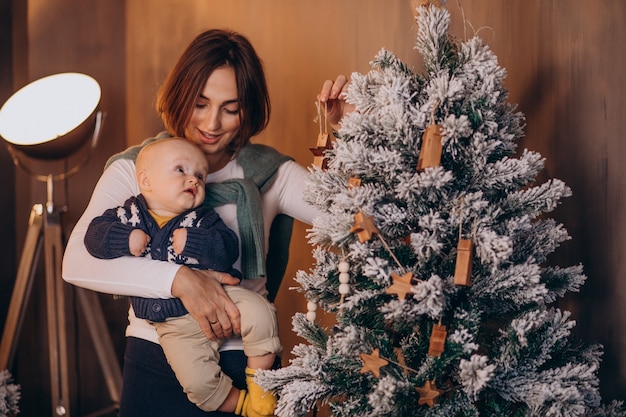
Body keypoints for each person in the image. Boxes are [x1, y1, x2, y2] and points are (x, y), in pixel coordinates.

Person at [62, 28, 350, 416]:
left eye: (230, 108)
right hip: (156, 360)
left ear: (248, 109)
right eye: (200, 104)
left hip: (252, 365)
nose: (212, 123)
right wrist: (180, 281)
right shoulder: (136, 169)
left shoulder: (271, 173)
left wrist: (347, 134)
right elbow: (77, 261)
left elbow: (353, 216)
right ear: (179, 96)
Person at [83, 137, 281, 416]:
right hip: (171, 320)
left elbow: (227, 249)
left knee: (262, 313)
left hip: (222, 296)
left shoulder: (201, 218)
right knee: (197, 382)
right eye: (181, 170)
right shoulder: (128, 215)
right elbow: (93, 236)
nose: (195, 180)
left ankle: (261, 385)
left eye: (200, 175)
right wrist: (125, 238)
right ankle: (243, 404)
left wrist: (194, 242)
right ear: (146, 181)